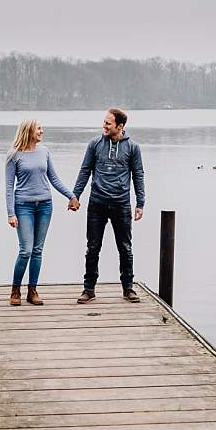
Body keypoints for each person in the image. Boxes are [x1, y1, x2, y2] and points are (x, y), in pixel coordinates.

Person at [69, 107, 146, 303]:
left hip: (121, 205)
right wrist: (74, 195)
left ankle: (128, 288)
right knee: (92, 247)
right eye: (104, 122)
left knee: (125, 248)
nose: (104, 125)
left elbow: (138, 175)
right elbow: (85, 171)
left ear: (120, 126)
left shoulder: (133, 148)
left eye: (108, 123)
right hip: (97, 204)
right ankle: (89, 289)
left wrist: (140, 203)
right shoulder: (94, 144)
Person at [5, 119, 78, 306]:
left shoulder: (44, 152)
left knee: (37, 250)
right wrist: (10, 213)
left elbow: (53, 178)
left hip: (45, 205)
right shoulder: (14, 155)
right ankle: (15, 291)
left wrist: (71, 196)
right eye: (39, 128)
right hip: (23, 207)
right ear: (29, 131)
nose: (41, 131)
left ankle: (32, 290)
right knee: (25, 250)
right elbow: (8, 187)